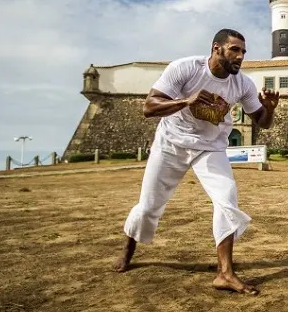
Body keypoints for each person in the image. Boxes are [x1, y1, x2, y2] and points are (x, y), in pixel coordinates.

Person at [113, 28, 279, 296]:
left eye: (243, 52)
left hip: (210, 148)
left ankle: (224, 273)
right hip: (171, 144)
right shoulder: (185, 68)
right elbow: (149, 107)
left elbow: (263, 121)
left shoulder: (243, 84)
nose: (240, 57)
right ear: (216, 48)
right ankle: (129, 247)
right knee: (148, 207)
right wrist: (186, 100)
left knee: (227, 200)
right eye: (234, 50)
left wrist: (270, 109)